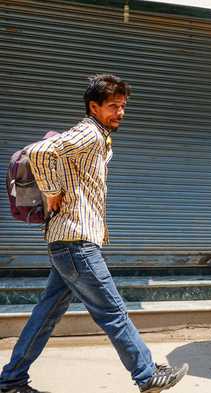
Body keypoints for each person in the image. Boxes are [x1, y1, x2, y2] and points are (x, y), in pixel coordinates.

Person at [0, 75, 188, 393]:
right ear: (94, 107)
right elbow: (39, 152)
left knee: (46, 314)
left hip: (67, 240)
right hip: (75, 242)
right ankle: (145, 374)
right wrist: (50, 190)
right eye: (113, 106)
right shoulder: (88, 132)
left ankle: (12, 379)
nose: (120, 112)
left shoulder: (98, 136)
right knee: (112, 310)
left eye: (123, 106)